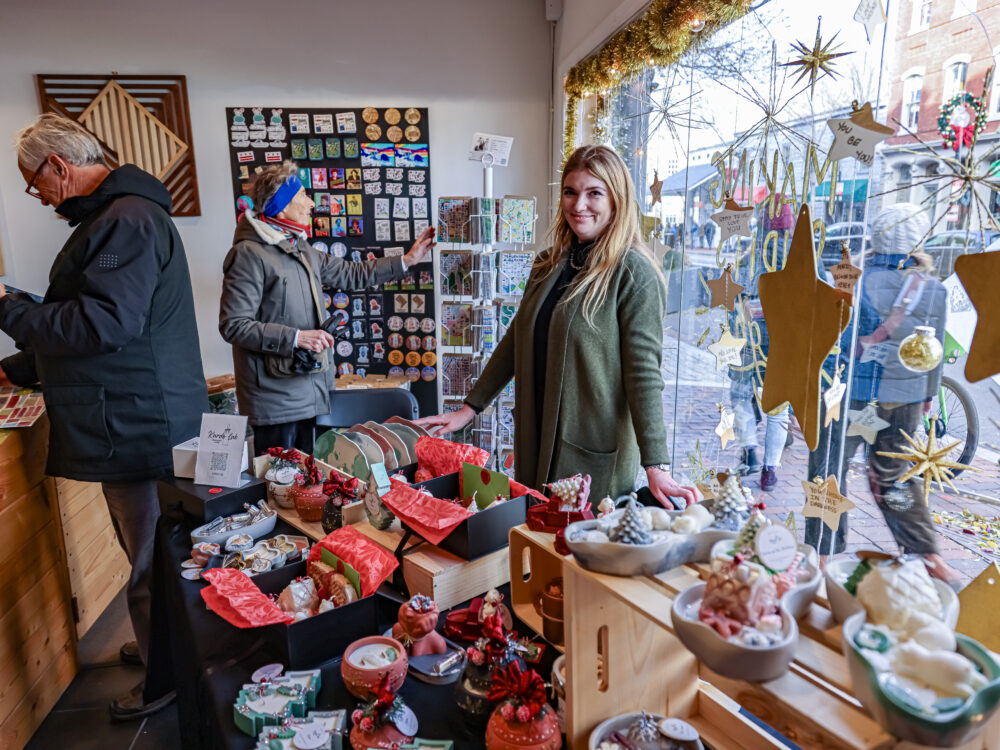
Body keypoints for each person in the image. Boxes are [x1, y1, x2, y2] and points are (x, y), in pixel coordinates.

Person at [0, 113, 208, 719]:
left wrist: (9, 309)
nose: (38, 196)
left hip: (138, 425)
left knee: (150, 561)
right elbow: (102, 325)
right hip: (136, 417)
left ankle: (165, 676)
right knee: (151, 554)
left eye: (34, 182)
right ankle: (163, 647)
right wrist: (21, 367)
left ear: (58, 165)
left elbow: (102, 326)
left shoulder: (126, 220)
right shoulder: (123, 216)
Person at [415, 145, 697, 506]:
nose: (579, 205)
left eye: (594, 193)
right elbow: (517, 339)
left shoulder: (634, 274)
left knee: (579, 539)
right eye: (570, 192)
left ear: (617, 199)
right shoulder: (548, 264)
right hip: (536, 440)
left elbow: (643, 374)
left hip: (590, 454)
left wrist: (656, 466)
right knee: (535, 533)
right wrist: (470, 408)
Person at [220, 161, 434, 454]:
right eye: (303, 196)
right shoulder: (248, 254)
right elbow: (233, 325)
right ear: (281, 207)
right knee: (277, 477)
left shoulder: (300, 248)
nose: (311, 204)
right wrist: (297, 337)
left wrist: (406, 260)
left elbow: (351, 273)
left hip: (310, 392)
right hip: (275, 402)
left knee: (311, 477)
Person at [805, 203, 959, 585]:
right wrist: (926, 395)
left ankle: (820, 557)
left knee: (828, 472)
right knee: (895, 477)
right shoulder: (933, 290)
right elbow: (933, 353)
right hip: (904, 398)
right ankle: (927, 554)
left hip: (852, 396)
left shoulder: (850, 281)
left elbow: (832, 343)